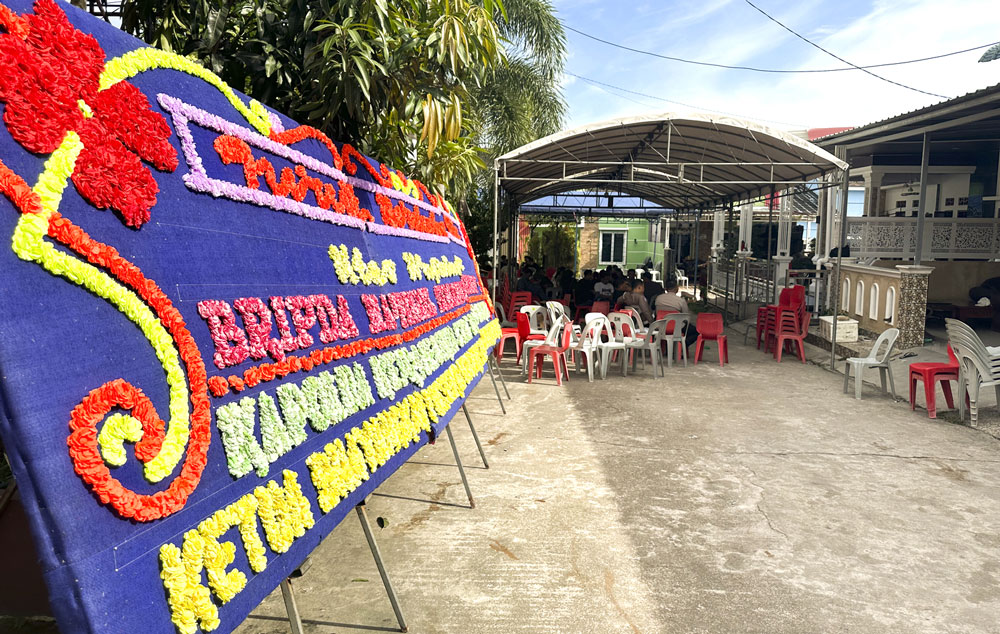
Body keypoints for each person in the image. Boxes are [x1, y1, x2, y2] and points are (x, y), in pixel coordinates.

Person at [653, 279, 698, 350]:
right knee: (696, 331)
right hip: (677, 328)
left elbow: (656, 313)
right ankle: (684, 344)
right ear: (677, 288)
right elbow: (686, 317)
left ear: (666, 288)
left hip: (661, 326)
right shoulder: (680, 301)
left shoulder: (658, 298)